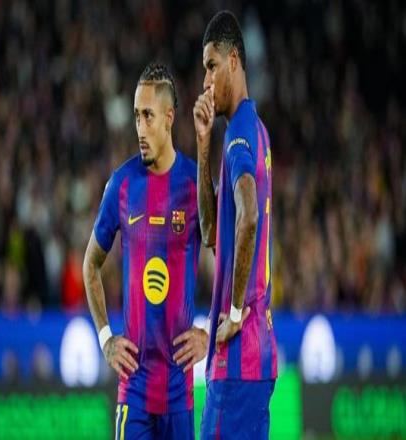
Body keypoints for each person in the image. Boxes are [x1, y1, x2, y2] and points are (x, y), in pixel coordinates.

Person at [83, 62, 208, 440]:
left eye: (148, 116)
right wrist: (106, 339)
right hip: (133, 390)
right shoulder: (121, 185)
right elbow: (90, 265)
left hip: (179, 391)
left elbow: (230, 261)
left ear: (169, 118)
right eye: (136, 116)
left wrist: (210, 332)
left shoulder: (195, 185)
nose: (140, 127)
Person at [194, 11, 278, 439]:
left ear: (233, 61)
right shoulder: (253, 131)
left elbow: (249, 218)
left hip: (237, 360)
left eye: (211, 66)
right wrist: (202, 144)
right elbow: (210, 232)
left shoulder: (240, 132)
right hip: (256, 362)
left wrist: (233, 312)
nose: (206, 80)